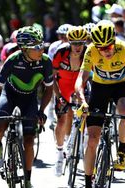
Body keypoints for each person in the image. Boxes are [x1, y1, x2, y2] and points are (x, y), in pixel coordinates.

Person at [75, 20, 125, 188]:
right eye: (101, 47)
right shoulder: (90, 50)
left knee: (123, 109)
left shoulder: (124, 48)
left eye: (109, 46)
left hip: (122, 86)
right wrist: (83, 101)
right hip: (99, 88)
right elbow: (80, 81)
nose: (106, 50)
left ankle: (121, 150)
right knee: (91, 140)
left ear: (114, 40)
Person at [0, 26, 53, 188]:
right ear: (24, 48)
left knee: (29, 142)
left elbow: (48, 90)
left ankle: (28, 182)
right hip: (10, 95)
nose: (41, 49)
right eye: (36, 47)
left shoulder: (45, 62)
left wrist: (41, 111)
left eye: (41, 45)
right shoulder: (12, 60)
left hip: (29, 99)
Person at [51, 26, 88, 177]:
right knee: (61, 120)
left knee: (85, 114)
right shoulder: (61, 52)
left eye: (81, 43)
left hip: (80, 87)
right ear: (69, 42)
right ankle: (60, 153)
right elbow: (51, 77)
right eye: (74, 43)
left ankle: (83, 144)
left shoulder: (87, 53)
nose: (78, 46)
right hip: (63, 87)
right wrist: (58, 94)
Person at [47, 23, 72, 130]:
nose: (63, 38)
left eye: (65, 35)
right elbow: (50, 64)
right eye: (61, 35)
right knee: (53, 92)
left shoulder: (75, 46)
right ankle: (51, 116)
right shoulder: (54, 46)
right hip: (57, 72)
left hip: (70, 74)